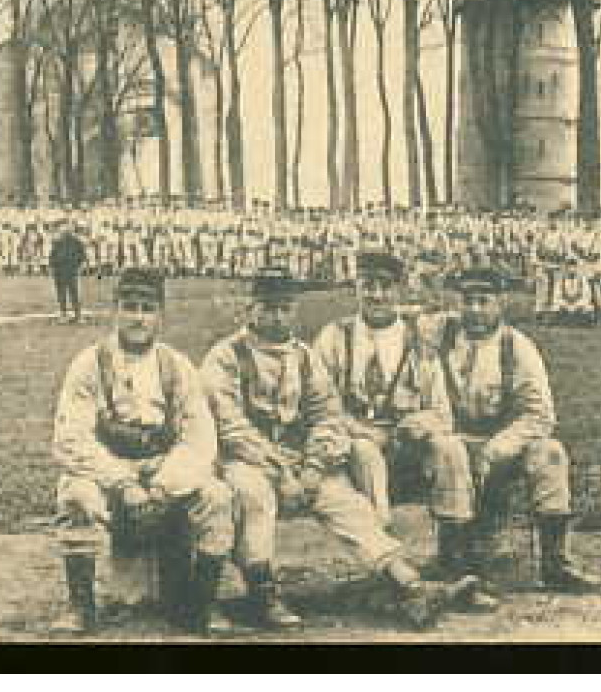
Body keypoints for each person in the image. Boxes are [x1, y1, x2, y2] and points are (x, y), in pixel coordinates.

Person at [201, 267, 478, 632]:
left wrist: (315, 466)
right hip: (245, 461)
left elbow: (327, 416)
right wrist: (282, 474)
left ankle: (408, 585)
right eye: (267, 308)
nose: (276, 316)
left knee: (343, 500)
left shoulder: (303, 355)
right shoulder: (226, 356)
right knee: (254, 494)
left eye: (284, 308)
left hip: (300, 461)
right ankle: (261, 594)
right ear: (249, 310)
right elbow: (231, 427)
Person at [51, 268, 235, 636]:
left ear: (161, 315)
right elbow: (71, 438)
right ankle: (81, 605)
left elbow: (199, 440)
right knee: (75, 493)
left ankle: (199, 605)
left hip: (163, 477)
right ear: (114, 310)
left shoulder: (178, 367)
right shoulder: (90, 363)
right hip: (110, 476)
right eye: (129, 307)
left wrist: (164, 485)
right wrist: (123, 483)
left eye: (147, 308)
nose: (138, 317)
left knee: (217, 495)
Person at [432, 266, 601, 594]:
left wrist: (498, 447)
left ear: (501, 304)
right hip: (452, 442)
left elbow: (540, 415)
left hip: (503, 443)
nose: (475, 310)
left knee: (550, 453)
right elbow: (396, 321)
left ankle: (555, 563)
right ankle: (455, 562)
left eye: (484, 301)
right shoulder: (441, 334)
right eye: (468, 301)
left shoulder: (516, 347)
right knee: (447, 451)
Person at [50, 221, 85, 324]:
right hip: (59, 271)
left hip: (71, 270)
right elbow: (52, 256)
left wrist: (78, 267)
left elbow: (82, 256)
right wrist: (53, 268)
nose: (65, 230)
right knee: (61, 294)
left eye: (68, 228)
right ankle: (63, 315)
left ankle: (78, 315)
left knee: (74, 293)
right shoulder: (57, 242)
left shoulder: (77, 241)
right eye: (63, 228)